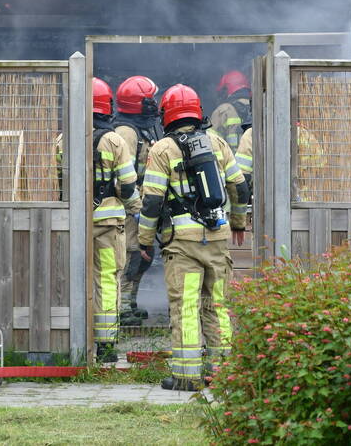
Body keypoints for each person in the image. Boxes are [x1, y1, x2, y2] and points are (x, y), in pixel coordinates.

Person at [137, 84, 249, 391]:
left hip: (182, 243)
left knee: (185, 306)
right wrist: (238, 223)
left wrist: (145, 239)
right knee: (217, 305)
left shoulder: (162, 150)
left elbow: (151, 202)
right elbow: (240, 187)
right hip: (217, 236)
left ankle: (187, 376)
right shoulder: (218, 143)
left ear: (168, 115)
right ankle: (224, 374)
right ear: (198, 112)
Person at [90, 77, 142, 363]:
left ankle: (77, 340)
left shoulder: (65, 137)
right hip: (108, 225)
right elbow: (127, 185)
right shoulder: (113, 140)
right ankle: (106, 345)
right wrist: (138, 211)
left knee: (76, 280)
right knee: (107, 281)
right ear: (105, 104)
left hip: (74, 224)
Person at [112, 75, 162, 327]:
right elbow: (123, 179)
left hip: (140, 206)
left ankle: (130, 301)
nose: (154, 102)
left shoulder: (141, 128)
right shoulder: (126, 132)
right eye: (149, 98)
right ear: (137, 103)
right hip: (128, 208)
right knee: (132, 255)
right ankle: (121, 308)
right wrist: (135, 209)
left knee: (143, 256)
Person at [209, 70, 251, 149]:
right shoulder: (258, 107)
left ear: (226, 89)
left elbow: (212, 143)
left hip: (231, 160)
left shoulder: (223, 110)